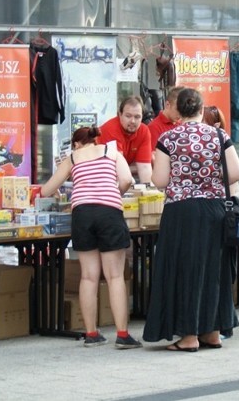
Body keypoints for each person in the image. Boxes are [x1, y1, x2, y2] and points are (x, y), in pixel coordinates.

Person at [143, 87, 239, 351]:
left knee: (185, 270)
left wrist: (180, 177)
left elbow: (160, 180)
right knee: (213, 270)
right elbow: (235, 173)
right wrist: (209, 178)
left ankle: (188, 337)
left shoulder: (169, 138)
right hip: (214, 211)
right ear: (201, 109)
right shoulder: (220, 136)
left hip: (182, 212)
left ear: (178, 110)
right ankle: (212, 331)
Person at [41, 127, 142, 349]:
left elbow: (46, 190)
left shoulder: (73, 158)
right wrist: (113, 191)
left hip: (82, 214)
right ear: (95, 140)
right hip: (109, 212)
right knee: (114, 276)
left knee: (88, 276)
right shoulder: (111, 152)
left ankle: (91, 334)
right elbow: (126, 180)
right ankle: (123, 335)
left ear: (77, 144)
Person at [97, 96, 152, 184]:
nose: (133, 121)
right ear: (120, 114)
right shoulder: (111, 129)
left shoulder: (144, 131)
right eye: (128, 116)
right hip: (98, 176)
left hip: (117, 174)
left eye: (137, 117)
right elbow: (118, 168)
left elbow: (144, 167)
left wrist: (149, 192)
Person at [148, 86, 185, 154]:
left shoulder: (183, 124)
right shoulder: (154, 127)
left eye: (183, 110)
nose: (181, 114)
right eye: (178, 109)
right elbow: (153, 156)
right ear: (167, 104)